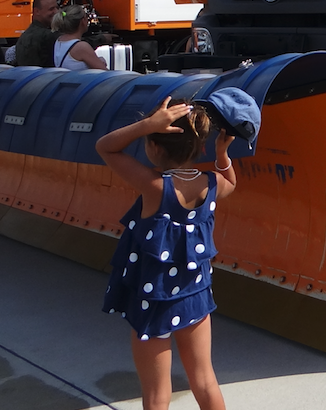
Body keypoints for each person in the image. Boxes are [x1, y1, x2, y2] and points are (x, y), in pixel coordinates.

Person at [96, 96, 241, 410]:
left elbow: (105, 147)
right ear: (199, 147)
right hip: (195, 294)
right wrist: (222, 153)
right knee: (204, 380)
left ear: (154, 147)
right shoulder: (211, 184)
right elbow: (230, 179)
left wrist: (147, 125)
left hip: (153, 298)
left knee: (157, 394)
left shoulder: (154, 186)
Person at [53, 4, 108, 70]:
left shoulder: (59, 40)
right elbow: (104, 72)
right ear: (82, 21)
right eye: (86, 16)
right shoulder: (81, 47)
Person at [14, 0, 60, 67]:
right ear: (37, 11)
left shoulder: (24, 36)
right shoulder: (48, 36)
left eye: (57, 8)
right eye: (51, 9)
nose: (56, 12)